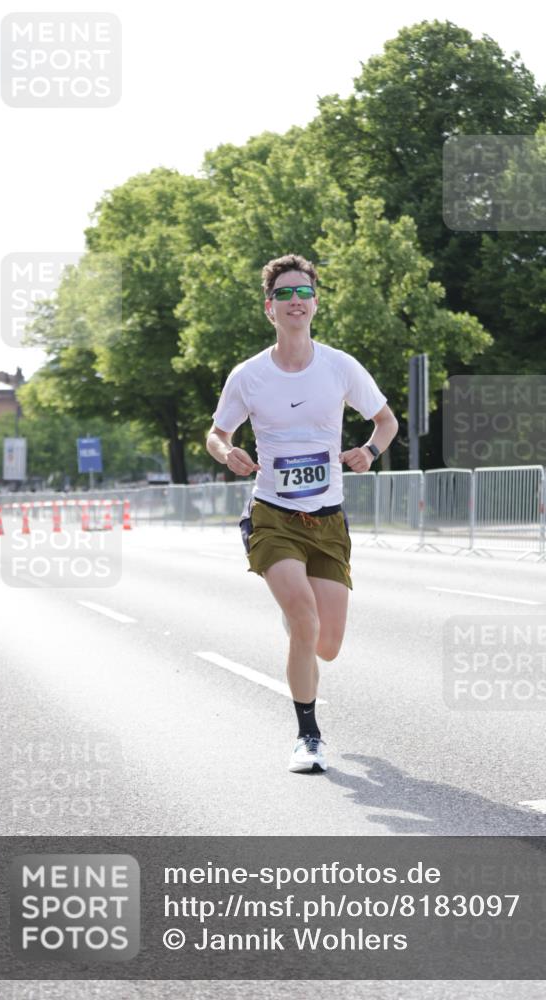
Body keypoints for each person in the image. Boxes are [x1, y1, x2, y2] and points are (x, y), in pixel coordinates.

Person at [206, 253, 398, 774]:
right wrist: (228, 454)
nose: (296, 301)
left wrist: (369, 452)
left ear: (315, 303)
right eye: (285, 294)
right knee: (304, 618)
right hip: (273, 513)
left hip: (328, 517)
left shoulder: (340, 366)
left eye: (304, 293)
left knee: (326, 645)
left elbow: (385, 421)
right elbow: (217, 433)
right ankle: (308, 736)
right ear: (270, 309)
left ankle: (298, 624)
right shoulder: (249, 376)